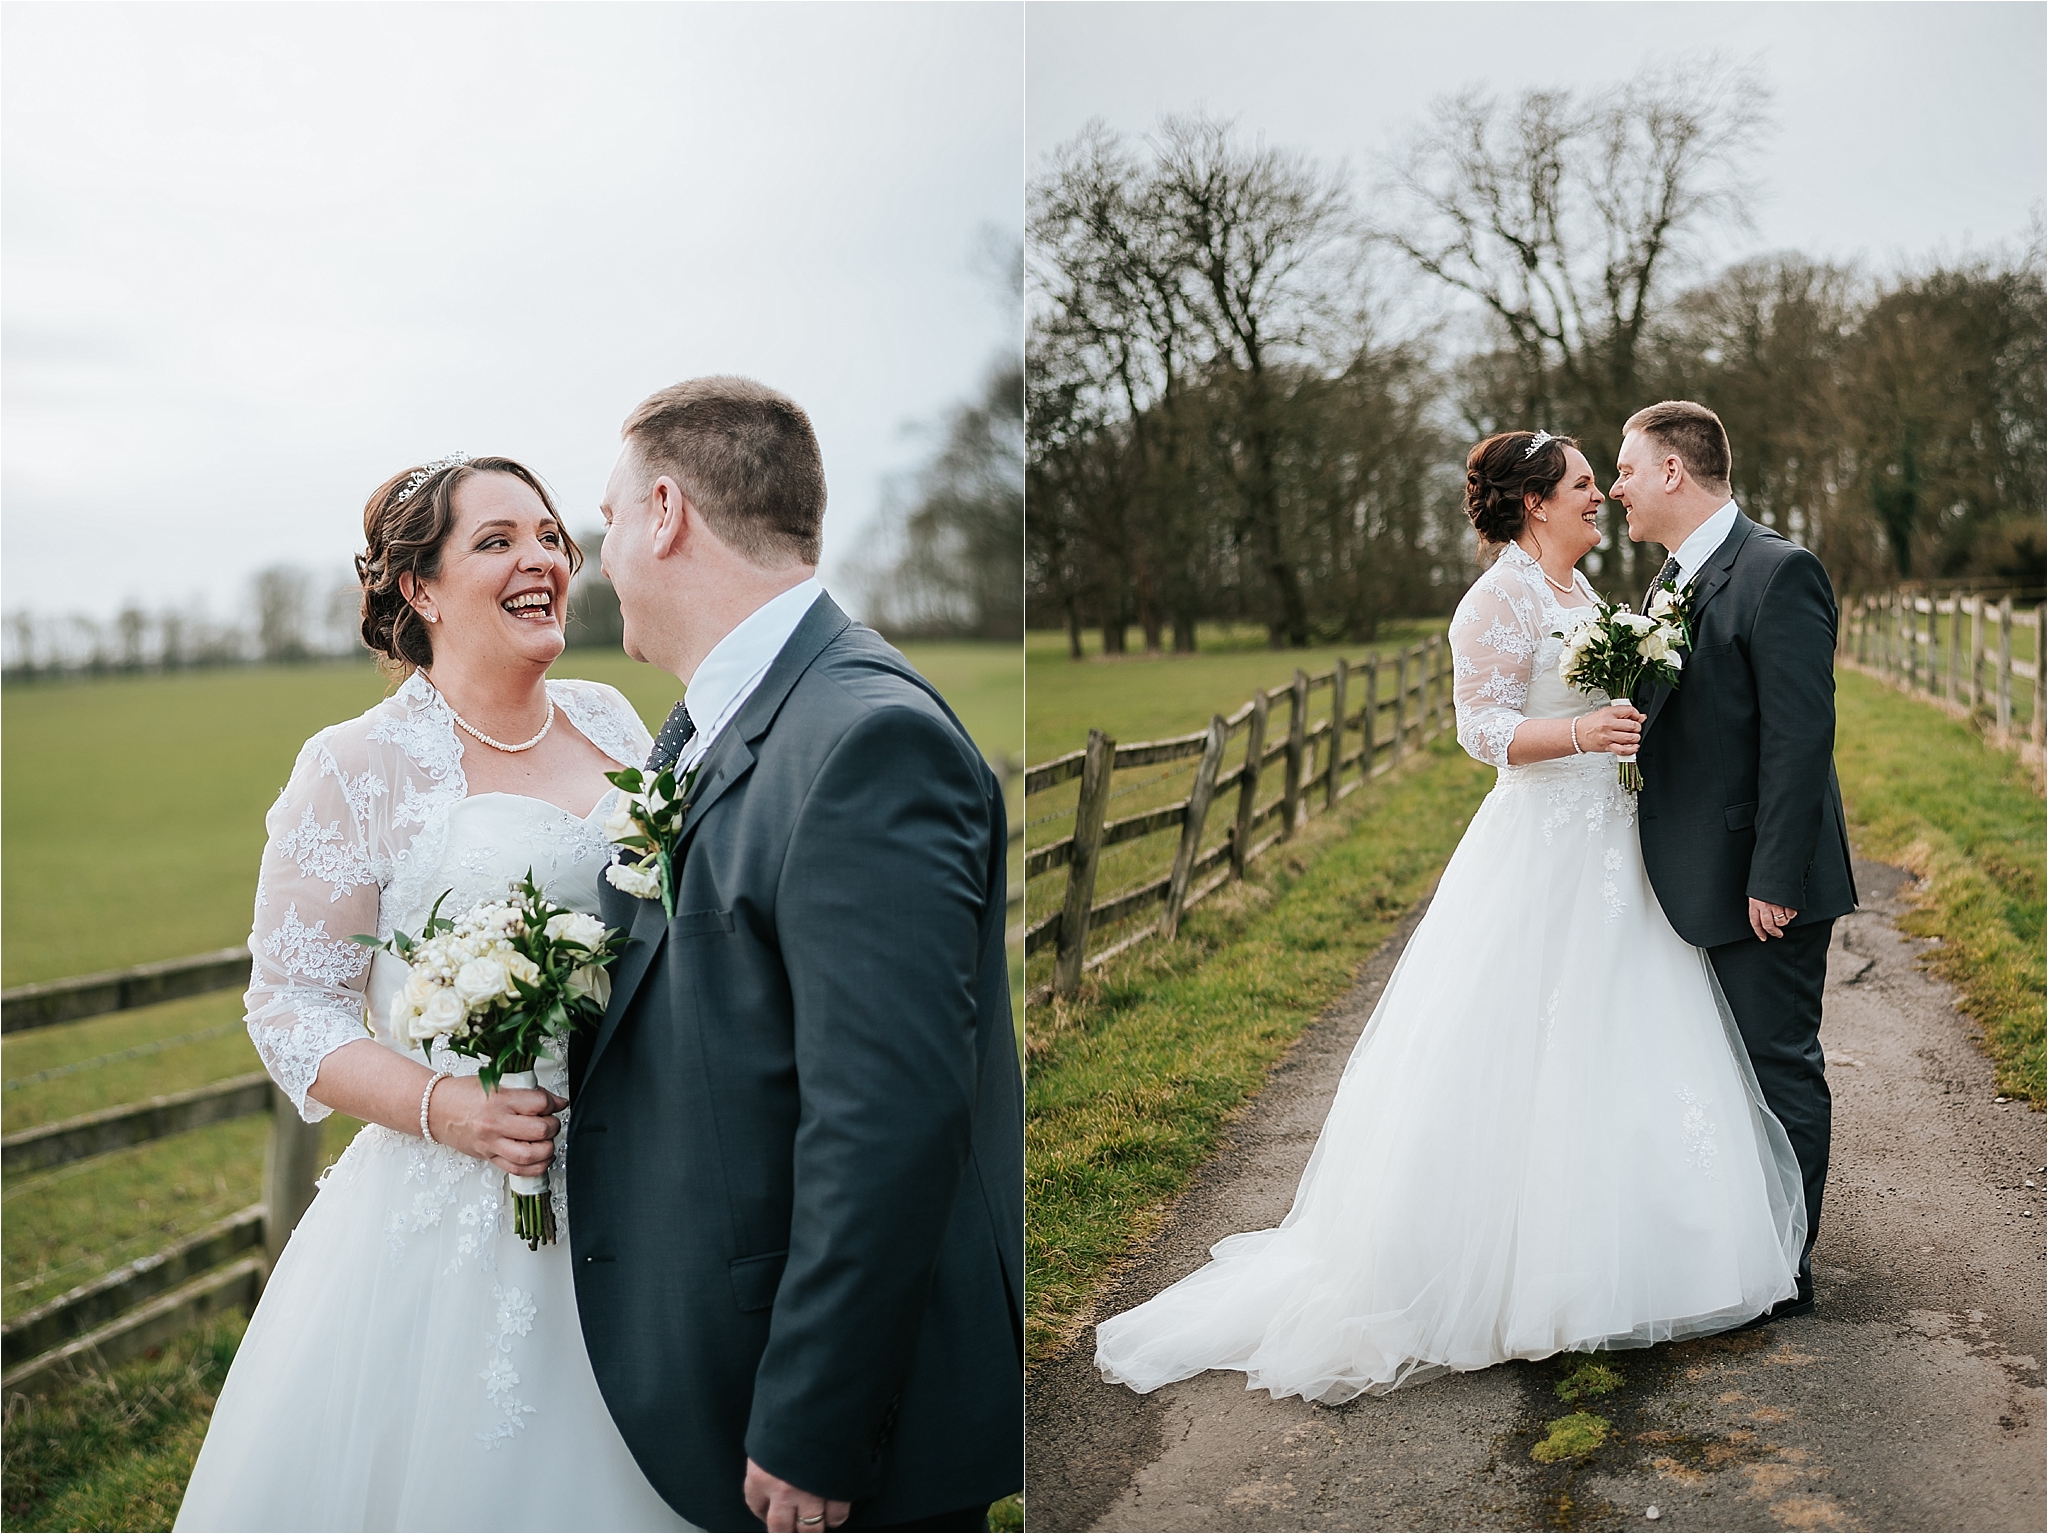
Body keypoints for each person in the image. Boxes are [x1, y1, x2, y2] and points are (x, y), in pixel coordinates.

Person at [1092, 430, 1806, 1407]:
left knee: (1620, 1039)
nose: (1601, 495)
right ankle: (1509, 1277)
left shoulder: (1583, 595)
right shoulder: (1498, 598)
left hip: (1610, 845)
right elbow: (1478, 727)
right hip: (1540, 847)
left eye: (1605, 480)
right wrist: (1579, 732)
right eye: (1584, 484)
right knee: (1521, 1045)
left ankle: (1628, 1254)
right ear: (1533, 503)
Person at [176, 455, 690, 1532]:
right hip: (450, 1210)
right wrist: (449, 1108)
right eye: (497, 540)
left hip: (638, 1178)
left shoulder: (611, 720)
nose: (542, 558)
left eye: (550, 535)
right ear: (419, 589)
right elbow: (291, 1011)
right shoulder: (357, 764)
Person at [567, 377, 1024, 1533]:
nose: (599, 553)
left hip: (835, 1437)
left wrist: (816, 1418)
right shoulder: (734, 717)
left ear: (666, 511)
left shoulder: (865, 738)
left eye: (607, 519)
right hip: (723, 1363)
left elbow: (887, 1114)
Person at [1617, 399, 1858, 1321]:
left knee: (1776, 1065)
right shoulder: (1670, 580)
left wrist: (1775, 877)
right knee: (1720, 1072)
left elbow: (1801, 742)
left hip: (1764, 882)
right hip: (1693, 875)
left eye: (1629, 469)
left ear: (1674, 471)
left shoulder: (1777, 571)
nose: (1621, 489)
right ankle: (1739, 1250)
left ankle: (1787, 1274)